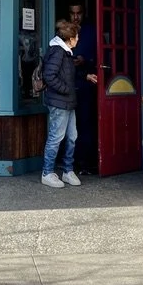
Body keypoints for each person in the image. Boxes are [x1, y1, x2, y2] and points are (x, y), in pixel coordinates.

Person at [40, 20, 95, 188]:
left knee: (72, 137)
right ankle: (47, 172)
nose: (78, 39)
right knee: (56, 138)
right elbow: (49, 76)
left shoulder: (66, 52)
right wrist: (66, 89)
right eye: (76, 37)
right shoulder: (58, 52)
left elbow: (69, 73)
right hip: (60, 103)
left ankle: (67, 171)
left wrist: (85, 77)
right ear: (70, 39)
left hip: (68, 102)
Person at [69, 2, 98, 172]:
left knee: (86, 122)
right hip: (67, 86)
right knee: (69, 125)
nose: (76, 16)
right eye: (73, 13)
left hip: (87, 84)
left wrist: (85, 60)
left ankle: (85, 161)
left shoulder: (91, 31)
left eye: (78, 13)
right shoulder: (64, 32)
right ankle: (70, 162)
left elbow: (100, 52)